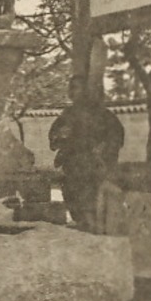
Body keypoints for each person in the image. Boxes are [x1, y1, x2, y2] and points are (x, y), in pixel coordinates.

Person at [49, 75, 125, 232]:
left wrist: (104, 149)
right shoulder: (68, 114)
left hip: (93, 166)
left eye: (76, 88)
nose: (72, 92)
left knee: (93, 201)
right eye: (71, 88)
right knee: (73, 197)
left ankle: (93, 225)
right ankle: (82, 224)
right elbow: (54, 135)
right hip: (72, 167)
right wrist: (59, 135)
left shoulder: (104, 115)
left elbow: (116, 136)